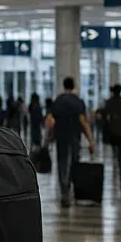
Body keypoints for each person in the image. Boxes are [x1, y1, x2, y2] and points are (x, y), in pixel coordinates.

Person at [46, 77, 96, 208]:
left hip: (61, 136)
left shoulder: (58, 100)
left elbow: (51, 121)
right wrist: (91, 141)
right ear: (74, 86)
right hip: (75, 137)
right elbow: (83, 122)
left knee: (62, 164)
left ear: (63, 86)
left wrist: (48, 139)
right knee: (75, 163)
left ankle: (64, 192)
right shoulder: (78, 102)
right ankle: (74, 188)